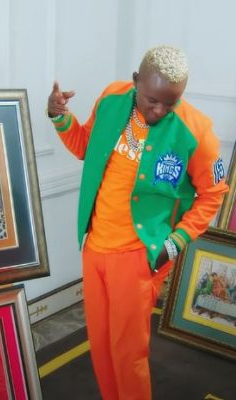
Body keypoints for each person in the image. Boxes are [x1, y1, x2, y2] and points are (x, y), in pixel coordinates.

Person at [47, 45, 229, 399]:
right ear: (135, 82)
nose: (159, 110)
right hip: (94, 246)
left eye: (170, 103)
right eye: (152, 100)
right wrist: (60, 117)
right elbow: (85, 146)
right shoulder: (111, 99)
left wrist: (175, 243)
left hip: (137, 256)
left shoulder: (197, 132)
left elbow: (214, 193)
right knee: (100, 345)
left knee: (128, 353)